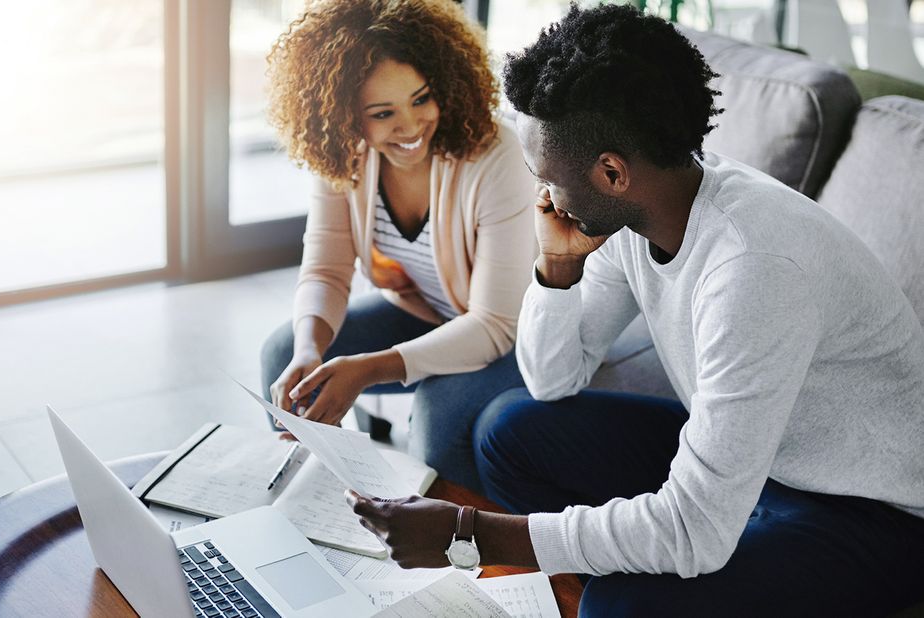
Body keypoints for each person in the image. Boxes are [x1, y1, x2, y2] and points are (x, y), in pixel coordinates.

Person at [347, 5, 924, 616]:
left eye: (543, 175)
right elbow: (550, 379)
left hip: (870, 514)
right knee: (509, 431)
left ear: (612, 172)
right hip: (757, 469)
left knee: (622, 605)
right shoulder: (641, 209)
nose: (540, 195)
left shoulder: (753, 267)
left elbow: (698, 528)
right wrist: (557, 266)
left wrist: (468, 532)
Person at [258, 0, 536, 491]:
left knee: (437, 417)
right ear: (344, 117)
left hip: (520, 335)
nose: (410, 126)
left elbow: (494, 325)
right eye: (382, 113)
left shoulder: (497, 155)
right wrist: (310, 349)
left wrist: (366, 369)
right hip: (430, 312)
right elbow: (325, 271)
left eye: (422, 98)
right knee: (284, 352)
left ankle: (454, 554)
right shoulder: (344, 154)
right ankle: (315, 508)